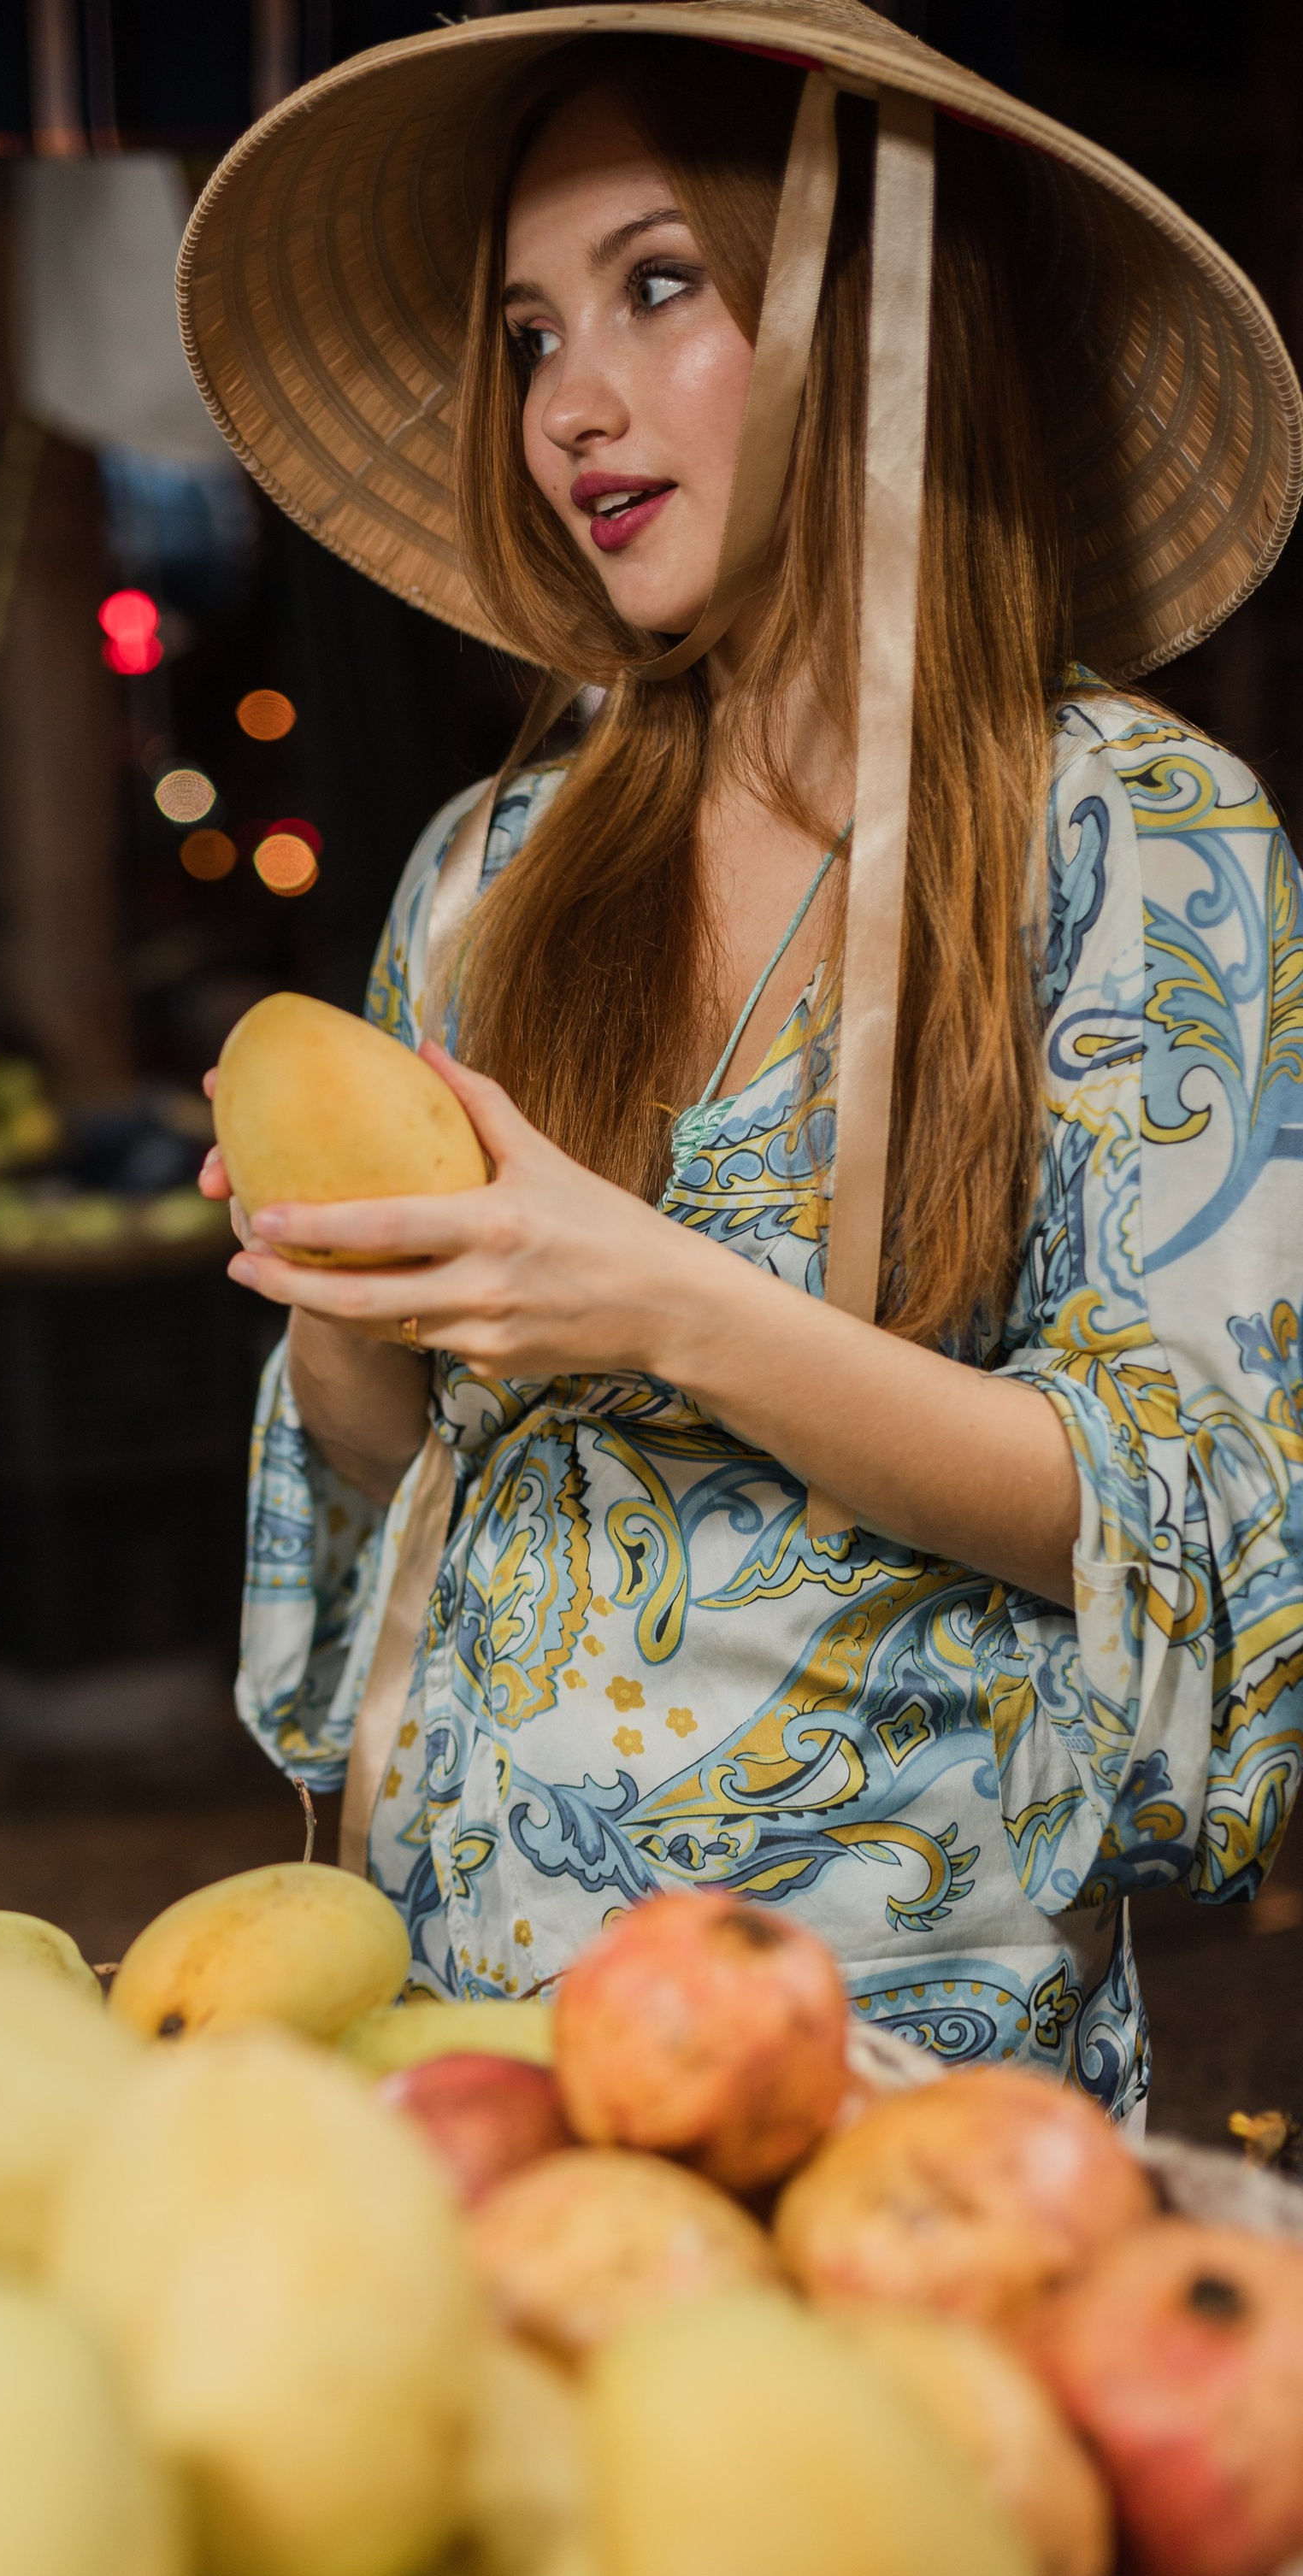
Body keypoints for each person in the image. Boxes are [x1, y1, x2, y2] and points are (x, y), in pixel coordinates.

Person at [180, 0, 1303, 2116]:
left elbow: (1178, 1518)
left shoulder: (1129, 836)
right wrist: (340, 1289)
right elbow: (399, 1465)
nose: (566, 408)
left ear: (869, 316)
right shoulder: (493, 865)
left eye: (654, 287)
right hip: (467, 2023)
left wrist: (658, 1302)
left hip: (890, 2072)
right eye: (527, 335)